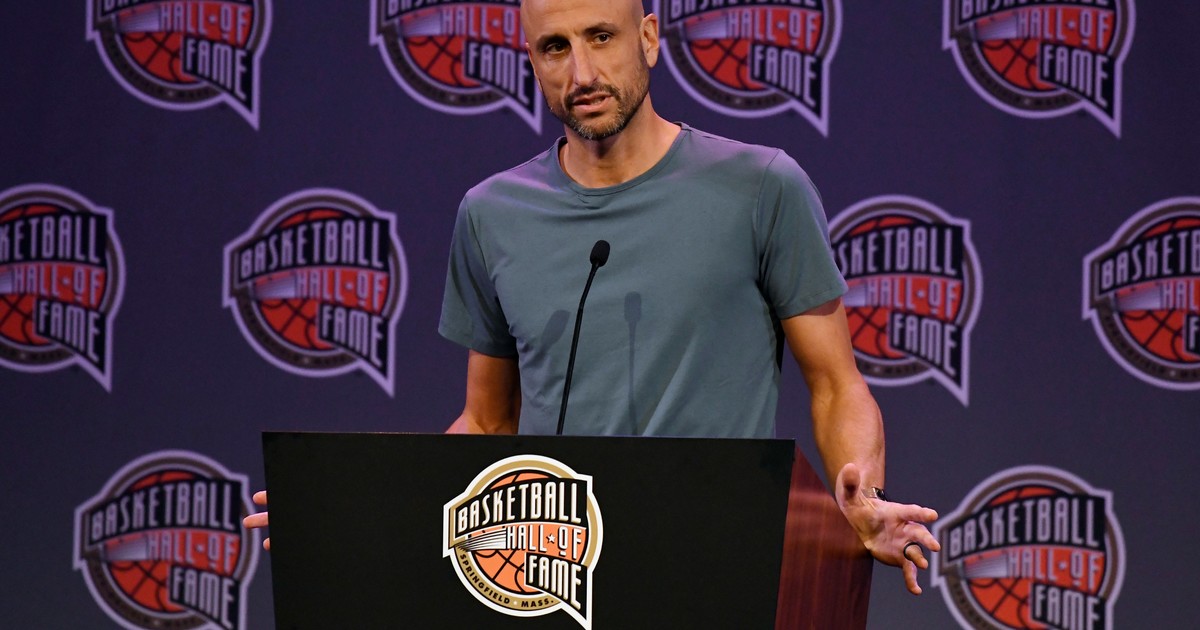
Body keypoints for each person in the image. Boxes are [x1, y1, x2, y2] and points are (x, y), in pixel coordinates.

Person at [247, 0, 940, 595]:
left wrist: (866, 498)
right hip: (555, 578)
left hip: (714, 571)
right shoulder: (491, 214)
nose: (581, 73)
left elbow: (836, 384)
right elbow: (488, 423)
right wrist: (360, 508)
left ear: (648, 38)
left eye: (601, 37)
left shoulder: (762, 188)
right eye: (555, 47)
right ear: (531, 59)